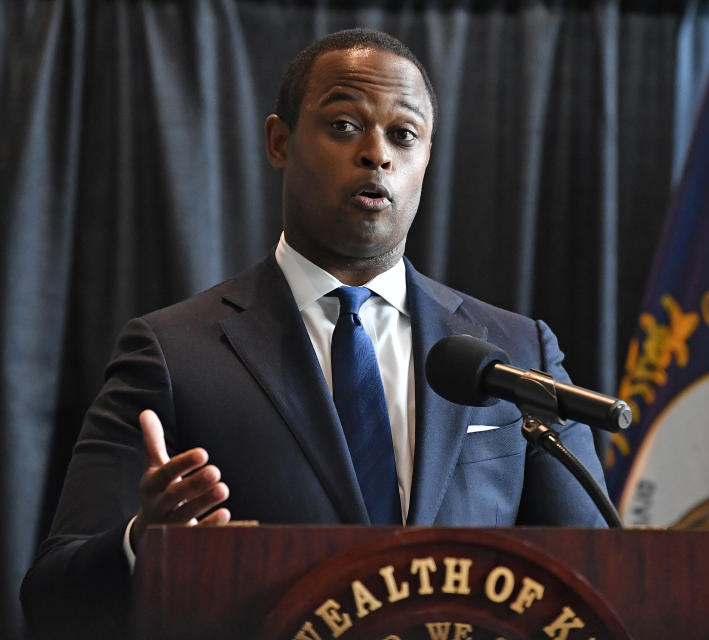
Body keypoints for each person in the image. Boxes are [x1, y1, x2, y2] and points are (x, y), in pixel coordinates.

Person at [20, 28, 607, 637]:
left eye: (403, 135)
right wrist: (147, 541)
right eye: (346, 125)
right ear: (280, 141)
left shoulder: (514, 351)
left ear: (427, 157)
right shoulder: (173, 353)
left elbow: (596, 576)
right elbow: (52, 598)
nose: (377, 154)